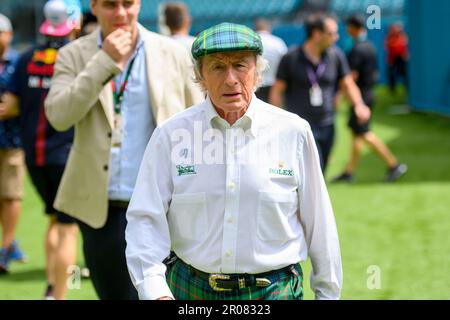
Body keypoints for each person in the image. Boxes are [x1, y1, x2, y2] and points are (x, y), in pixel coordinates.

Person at [126, 22, 342, 300]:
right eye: (217, 67)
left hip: (275, 290)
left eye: (240, 65)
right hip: (190, 289)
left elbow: (319, 223)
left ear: (257, 71)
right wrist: (154, 290)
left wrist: (327, 293)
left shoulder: (293, 132)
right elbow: (146, 217)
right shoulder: (171, 135)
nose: (230, 79)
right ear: (200, 76)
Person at [44, 0, 203, 300]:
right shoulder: (73, 54)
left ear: (139, 4)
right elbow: (58, 116)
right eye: (109, 5)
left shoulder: (173, 52)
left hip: (164, 206)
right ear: (93, 5)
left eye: (127, 4)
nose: (120, 13)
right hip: (102, 208)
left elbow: (199, 121)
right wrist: (104, 61)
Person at [0, 0, 82, 299]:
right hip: (67, 153)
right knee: (67, 226)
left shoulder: (25, 59)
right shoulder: (78, 57)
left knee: (53, 217)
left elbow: (9, 105)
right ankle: (60, 293)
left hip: (34, 156)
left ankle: (51, 287)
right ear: (71, 22)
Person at [270, 13, 370, 173]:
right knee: (312, 170)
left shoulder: (335, 56)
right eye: (332, 33)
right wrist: (278, 119)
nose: (336, 37)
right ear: (316, 34)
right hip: (300, 126)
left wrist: (359, 104)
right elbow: (277, 90)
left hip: (327, 124)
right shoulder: (291, 57)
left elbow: (348, 83)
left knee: (320, 173)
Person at [331, 15, 407, 183]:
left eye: (348, 26)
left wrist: (340, 96)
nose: (346, 30)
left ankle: (394, 165)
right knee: (357, 134)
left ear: (353, 27)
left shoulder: (357, 49)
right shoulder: (370, 46)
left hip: (360, 97)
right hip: (367, 94)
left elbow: (351, 77)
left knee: (364, 133)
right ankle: (349, 171)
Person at [0, 13, 26, 273]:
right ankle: (10, 243)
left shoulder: (18, 62)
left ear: (9, 35)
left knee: (11, 194)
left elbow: (21, 101)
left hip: (12, 140)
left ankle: (5, 248)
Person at [254, 18, 288, 103]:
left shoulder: (252, 42)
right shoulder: (277, 42)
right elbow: (286, 62)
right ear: (269, 29)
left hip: (254, 84)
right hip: (275, 85)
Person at [385, 23, 408, 93]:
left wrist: (405, 54)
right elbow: (389, 47)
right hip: (392, 58)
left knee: (404, 74)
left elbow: (404, 46)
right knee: (391, 74)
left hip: (401, 58)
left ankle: (407, 87)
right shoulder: (389, 38)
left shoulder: (403, 36)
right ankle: (392, 89)